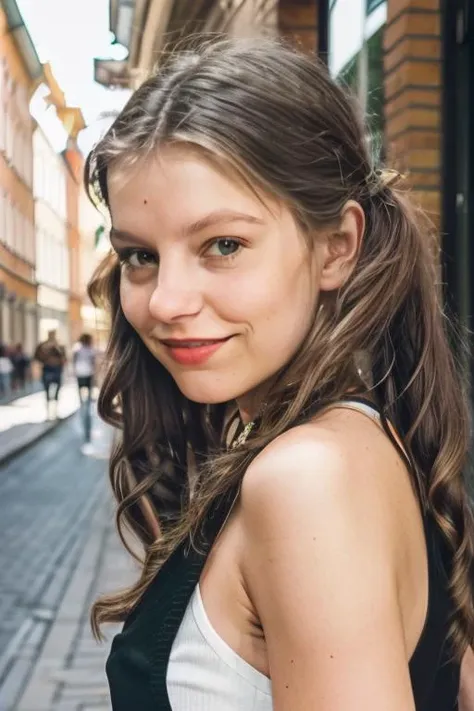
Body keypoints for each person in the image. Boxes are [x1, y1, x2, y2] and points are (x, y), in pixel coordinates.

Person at [85, 38, 474, 710]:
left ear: (336, 248)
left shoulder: (305, 478)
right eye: (140, 256)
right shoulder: (355, 435)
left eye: (224, 245)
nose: (166, 300)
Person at [72, 333, 96, 453]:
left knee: (81, 393)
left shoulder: (77, 348)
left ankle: (82, 402)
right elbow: (93, 362)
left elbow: (74, 360)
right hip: (88, 374)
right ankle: (86, 400)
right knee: (88, 392)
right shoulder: (90, 349)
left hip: (80, 373)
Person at [34, 330, 66, 418]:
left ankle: (55, 411)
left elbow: (64, 358)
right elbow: (37, 357)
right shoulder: (42, 345)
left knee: (56, 391)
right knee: (47, 392)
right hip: (47, 370)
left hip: (56, 370)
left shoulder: (59, 345)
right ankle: (48, 413)